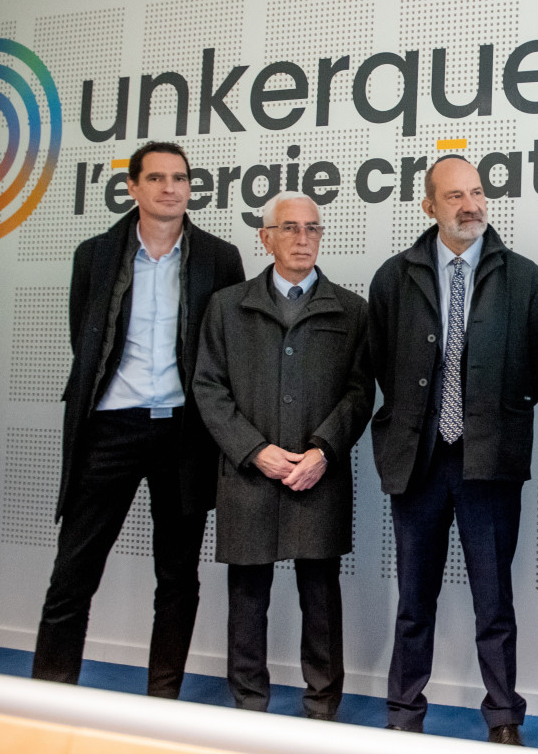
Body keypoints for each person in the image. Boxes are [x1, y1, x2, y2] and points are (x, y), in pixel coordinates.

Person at [32, 141, 245, 696]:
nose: (169, 187)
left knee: (177, 578)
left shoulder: (220, 259)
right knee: (73, 574)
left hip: (184, 431)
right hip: (109, 429)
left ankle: (162, 701)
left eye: (179, 178)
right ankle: (46, 697)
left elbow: (226, 350)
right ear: (132, 187)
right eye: (156, 178)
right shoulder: (95, 255)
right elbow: (87, 340)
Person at [368, 154, 538, 745]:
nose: (471, 205)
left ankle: (503, 717)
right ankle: (403, 712)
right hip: (419, 462)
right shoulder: (394, 277)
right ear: (429, 207)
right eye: (455, 196)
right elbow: (379, 361)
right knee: (413, 601)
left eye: (477, 192)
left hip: (489, 462)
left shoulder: (521, 275)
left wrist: (489, 411)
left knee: (494, 603)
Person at [193, 191, 373, 720]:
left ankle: (322, 706)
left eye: (312, 228)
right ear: (265, 237)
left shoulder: (352, 310)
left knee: (320, 597)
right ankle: (249, 704)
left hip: (319, 476)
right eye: (289, 228)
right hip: (250, 476)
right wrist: (255, 451)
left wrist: (323, 451)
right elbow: (209, 387)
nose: (302, 239)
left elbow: (361, 392)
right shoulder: (227, 306)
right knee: (248, 597)